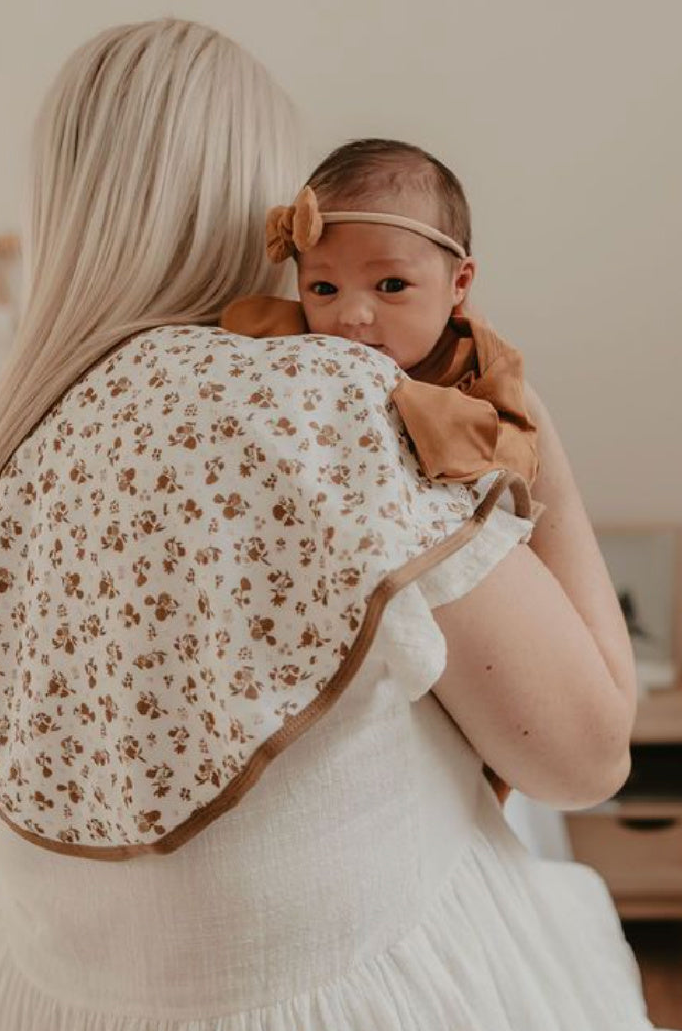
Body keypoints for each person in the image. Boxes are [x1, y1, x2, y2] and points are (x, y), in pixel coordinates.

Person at [0, 18, 661, 1030]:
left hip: (52, 998)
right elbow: (585, 759)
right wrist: (532, 426)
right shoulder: (325, 401)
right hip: (351, 991)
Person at [219, 138, 544, 805]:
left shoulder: (478, 367)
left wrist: (409, 407)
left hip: (468, 598)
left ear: (459, 285)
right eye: (323, 287)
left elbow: (511, 461)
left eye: (390, 286)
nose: (351, 315)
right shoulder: (291, 350)